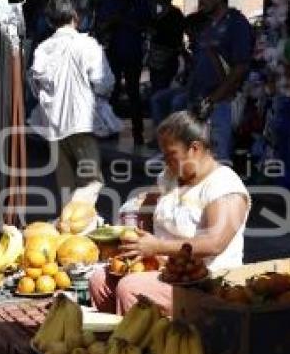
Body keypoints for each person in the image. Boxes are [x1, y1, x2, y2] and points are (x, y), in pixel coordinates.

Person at [89, 106, 251, 314]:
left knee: (130, 288)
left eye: (171, 155)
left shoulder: (224, 186)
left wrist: (158, 247)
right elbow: (147, 206)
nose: (165, 162)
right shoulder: (170, 176)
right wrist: (131, 233)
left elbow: (215, 242)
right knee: (99, 279)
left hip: (206, 280)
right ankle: (108, 340)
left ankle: (140, 345)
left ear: (195, 148)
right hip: (164, 268)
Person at [29, 0, 114, 201]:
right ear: (76, 17)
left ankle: (71, 222)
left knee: (65, 183)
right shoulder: (88, 45)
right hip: (81, 122)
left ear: (50, 21)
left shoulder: (42, 49)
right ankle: (80, 222)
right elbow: (104, 82)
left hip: (53, 124)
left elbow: (35, 84)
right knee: (90, 180)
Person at [187, 0, 254, 162]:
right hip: (200, 101)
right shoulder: (208, 26)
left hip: (221, 104)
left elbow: (240, 67)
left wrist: (213, 100)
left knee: (218, 163)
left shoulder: (237, 24)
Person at [97, 0, 151, 146]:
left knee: (133, 93)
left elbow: (146, 26)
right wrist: (112, 23)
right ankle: (111, 129)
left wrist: (125, 21)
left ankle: (138, 133)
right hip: (114, 53)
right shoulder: (108, 4)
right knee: (112, 93)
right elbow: (100, 27)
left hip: (132, 54)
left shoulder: (138, 3)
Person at [150, 11, 209, 137]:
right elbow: (192, 67)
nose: (187, 34)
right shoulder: (195, 46)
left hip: (201, 90)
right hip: (189, 86)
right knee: (157, 98)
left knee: (177, 101)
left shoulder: (206, 46)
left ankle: (176, 138)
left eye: (189, 31)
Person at [148, 0, 185, 95]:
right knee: (156, 88)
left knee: (161, 91)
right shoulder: (159, 13)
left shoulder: (175, 14)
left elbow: (175, 38)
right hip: (156, 58)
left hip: (166, 59)